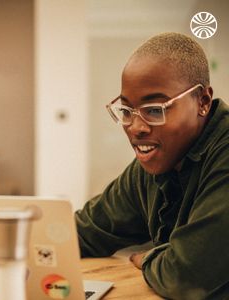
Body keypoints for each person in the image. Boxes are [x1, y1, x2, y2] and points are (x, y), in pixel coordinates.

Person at [75, 32, 229, 299]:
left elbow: (186, 276)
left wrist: (147, 258)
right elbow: (86, 231)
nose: (136, 127)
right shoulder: (157, 161)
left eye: (155, 110)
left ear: (202, 102)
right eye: (126, 111)